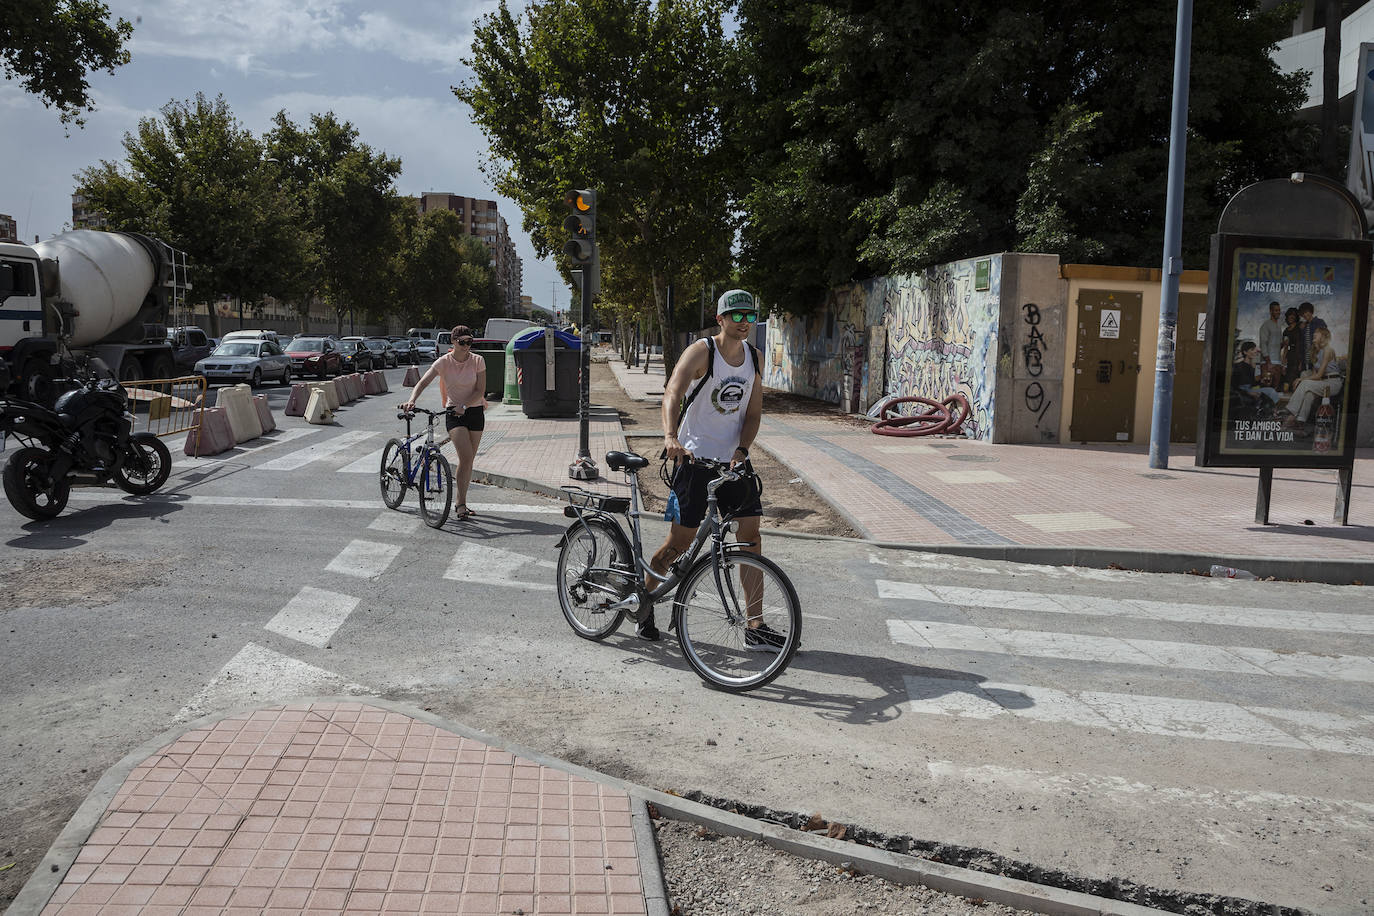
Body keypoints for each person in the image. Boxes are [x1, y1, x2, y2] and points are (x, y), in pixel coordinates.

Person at [639, 289, 779, 649]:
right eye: (737, 316)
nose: (745, 322)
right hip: (694, 461)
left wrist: (743, 449)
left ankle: (755, 625)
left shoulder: (755, 358)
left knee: (750, 538)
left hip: (732, 463)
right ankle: (645, 599)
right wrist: (671, 437)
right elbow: (673, 391)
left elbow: (752, 413)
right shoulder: (703, 351)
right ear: (721, 319)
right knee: (679, 544)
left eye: (750, 316)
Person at [400, 325, 486, 519]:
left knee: (469, 460)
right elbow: (423, 382)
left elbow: (480, 391)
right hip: (453, 414)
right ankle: (461, 505)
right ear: (454, 342)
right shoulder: (443, 362)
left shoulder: (478, 360)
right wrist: (412, 400)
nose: (466, 346)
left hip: (474, 412)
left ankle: (460, 500)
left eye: (469, 342)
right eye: (463, 342)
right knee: (465, 457)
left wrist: (464, 405)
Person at [1283, 325, 1343, 433]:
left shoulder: (1328, 350)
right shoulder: (1315, 352)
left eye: (1317, 332)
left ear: (1323, 336)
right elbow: (1316, 377)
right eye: (1314, 332)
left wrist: (1301, 380)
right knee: (1308, 392)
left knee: (1305, 383)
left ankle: (1290, 414)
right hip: (1323, 383)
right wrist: (1304, 379)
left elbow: (1319, 375)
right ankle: (1300, 423)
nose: (1314, 334)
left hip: (1333, 384)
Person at [1230, 341, 1279, 416]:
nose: (1255, 351)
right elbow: (1234, 385)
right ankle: (1271, 411)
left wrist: (1261, 382)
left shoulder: (1251, 366)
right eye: (1252, 349)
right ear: (1245, 352)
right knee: (1268, 393)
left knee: (1271, 391)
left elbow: (1252, 383)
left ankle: (1272, 411)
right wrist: (1247, 392)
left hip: (1250, 388)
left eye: (1255, 349)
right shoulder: (1238, 366)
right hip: (1243, 390)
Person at [1256, 300, 1283, 383]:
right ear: (1270, 311)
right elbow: (1263, 345)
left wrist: (1284, 344)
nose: (1278, 312)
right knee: (1267, 385)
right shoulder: (1265, 325)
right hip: (1267, 362)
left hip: (1277, 361)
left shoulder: (1279, 326)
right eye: (1276, 310)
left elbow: (1278, 345)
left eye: (1279, 310)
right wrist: (1269, 363)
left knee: (1275, 387)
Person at [1296, 302, 1328, 371]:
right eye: (1302, 313)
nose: (1304, 314)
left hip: (1317, 359)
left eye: (1306, 312)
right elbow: (1302, 345)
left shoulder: (1320, 322)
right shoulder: (1303, 326)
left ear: (1311, 311)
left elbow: (1324, 340)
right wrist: (1301, 362)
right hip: (1306, 360)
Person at [1280, 306, 1304, 392]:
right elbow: (1286, 347)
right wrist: (1283, 361)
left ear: (1296, 317)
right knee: (1287, 378)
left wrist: (1301, 362)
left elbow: (1302, 343)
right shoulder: (1286, 331)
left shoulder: (1300, 326)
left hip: (1299, 354)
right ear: (1287, 317)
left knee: (1295, 377)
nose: (1291, 317)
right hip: (1290, 355)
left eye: (1293, 315)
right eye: (1289, 315)